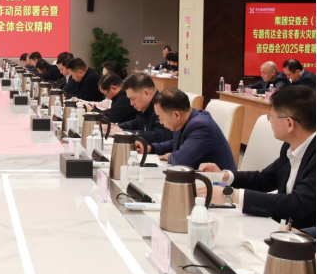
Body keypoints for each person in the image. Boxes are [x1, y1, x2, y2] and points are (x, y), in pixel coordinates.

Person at [200, 86, 316, 229]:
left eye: (271, 117)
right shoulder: (289, 146)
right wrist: (224, 176)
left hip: (304, 237)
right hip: (282, 229)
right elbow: (264, 179)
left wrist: (230, 195)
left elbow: (296, 203)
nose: (270, 121)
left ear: (289, 123)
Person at [135, 89, 236, 170]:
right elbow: (175, 142)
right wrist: (150, 148)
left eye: (160, 117)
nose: (160, 122)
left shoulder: (201, 126)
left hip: (219, 184)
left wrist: (170, 156)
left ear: (176, 115)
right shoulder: (187, 119)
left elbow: (181, 161)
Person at [111, 73, 173, 144]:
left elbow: (158, 136)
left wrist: (124, 132)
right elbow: (136, 123)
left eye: (133, 99)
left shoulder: (163, 106)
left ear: (146, 93)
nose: (131, 103)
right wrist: (116, 127)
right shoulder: (146, 105)